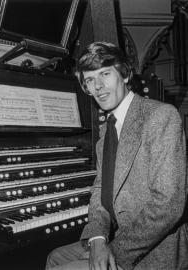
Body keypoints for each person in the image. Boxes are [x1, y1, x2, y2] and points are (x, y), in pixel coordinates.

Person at [45, 41, 188, 270]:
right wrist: (98, 238)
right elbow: (102, 191)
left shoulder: (161, 116)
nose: (98, 86)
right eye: (90, 80)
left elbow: (169, 204)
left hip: (155, 251)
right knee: (55, 257)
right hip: (116, 236)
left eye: (105, 74)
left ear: (124, 74)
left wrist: (114, 250)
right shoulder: (106, 131)